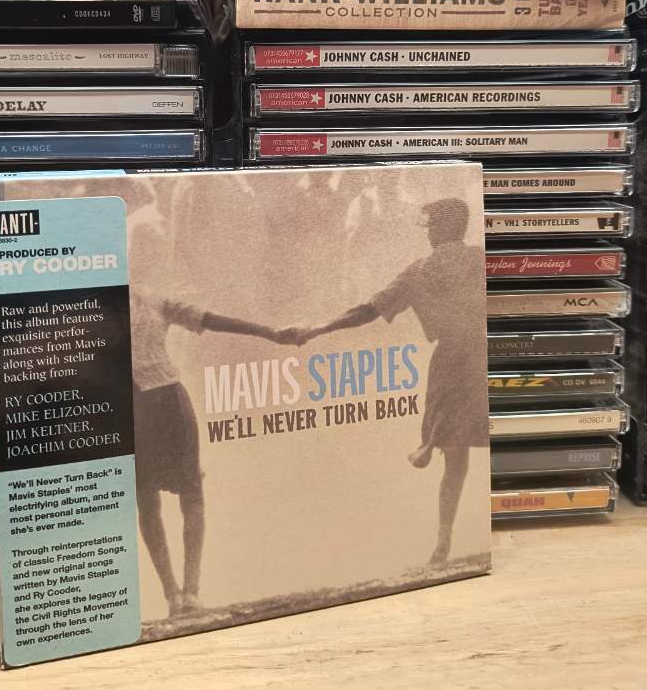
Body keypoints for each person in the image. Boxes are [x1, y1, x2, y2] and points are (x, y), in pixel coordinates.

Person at [282, 198, 488, 567]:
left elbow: (368, 311)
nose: (427, 232)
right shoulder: (480, 259)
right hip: (487, 352)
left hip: (452, 361)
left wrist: (318, 328)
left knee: (455, 454)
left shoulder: (419, 270)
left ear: (443, 227)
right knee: (472, 442)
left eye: (430, 225)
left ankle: (443, 533)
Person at [131, 293, 291, 617]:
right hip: (142, 406)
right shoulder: (104, 310)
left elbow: (211, 320)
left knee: (181, 492)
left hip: (164, 402)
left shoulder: (151, 300)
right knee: (152, 497)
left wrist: (270, 333)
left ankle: (188, 592)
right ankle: (176, 594)